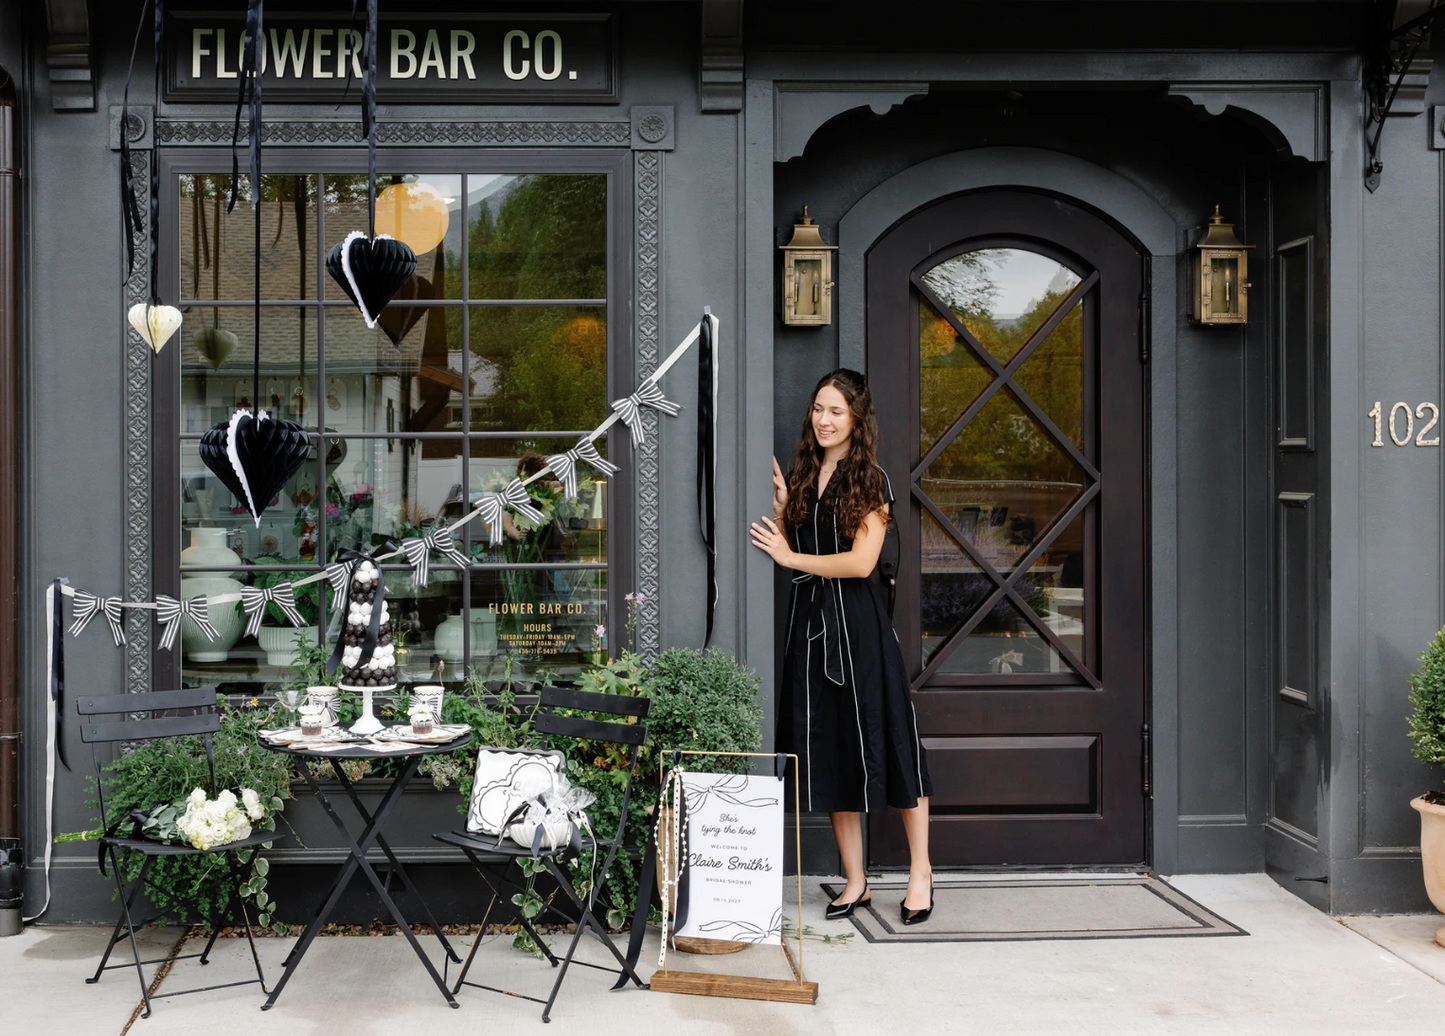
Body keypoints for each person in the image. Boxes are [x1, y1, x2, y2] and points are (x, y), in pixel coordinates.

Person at [750, 368, 934, 925]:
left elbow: (861, 563)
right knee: (827, 749)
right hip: (810, 628)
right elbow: (801, 539)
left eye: (836, 411)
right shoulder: (808, 471)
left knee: (893, 746)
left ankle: (920, 871)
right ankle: (855, 881)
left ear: (857, 417)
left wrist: (790, 560)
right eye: (818, 409)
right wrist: (785, 510)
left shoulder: (870, 479)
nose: (824, 420)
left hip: (858, 629)